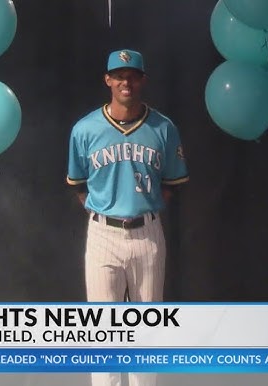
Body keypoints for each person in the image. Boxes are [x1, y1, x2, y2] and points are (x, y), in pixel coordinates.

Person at [65, 49, 189, 386]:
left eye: (132, 75)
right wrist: (108, 208)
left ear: (143, 80)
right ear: (107, 80)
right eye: (119, 75)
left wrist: (142, 207)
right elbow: (79, 186)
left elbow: (172, 184)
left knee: (147, 334)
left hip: (147, 233)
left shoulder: (163, 128)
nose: (126, 82)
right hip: (104, 234)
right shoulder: (85, 129)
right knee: (103, 332)